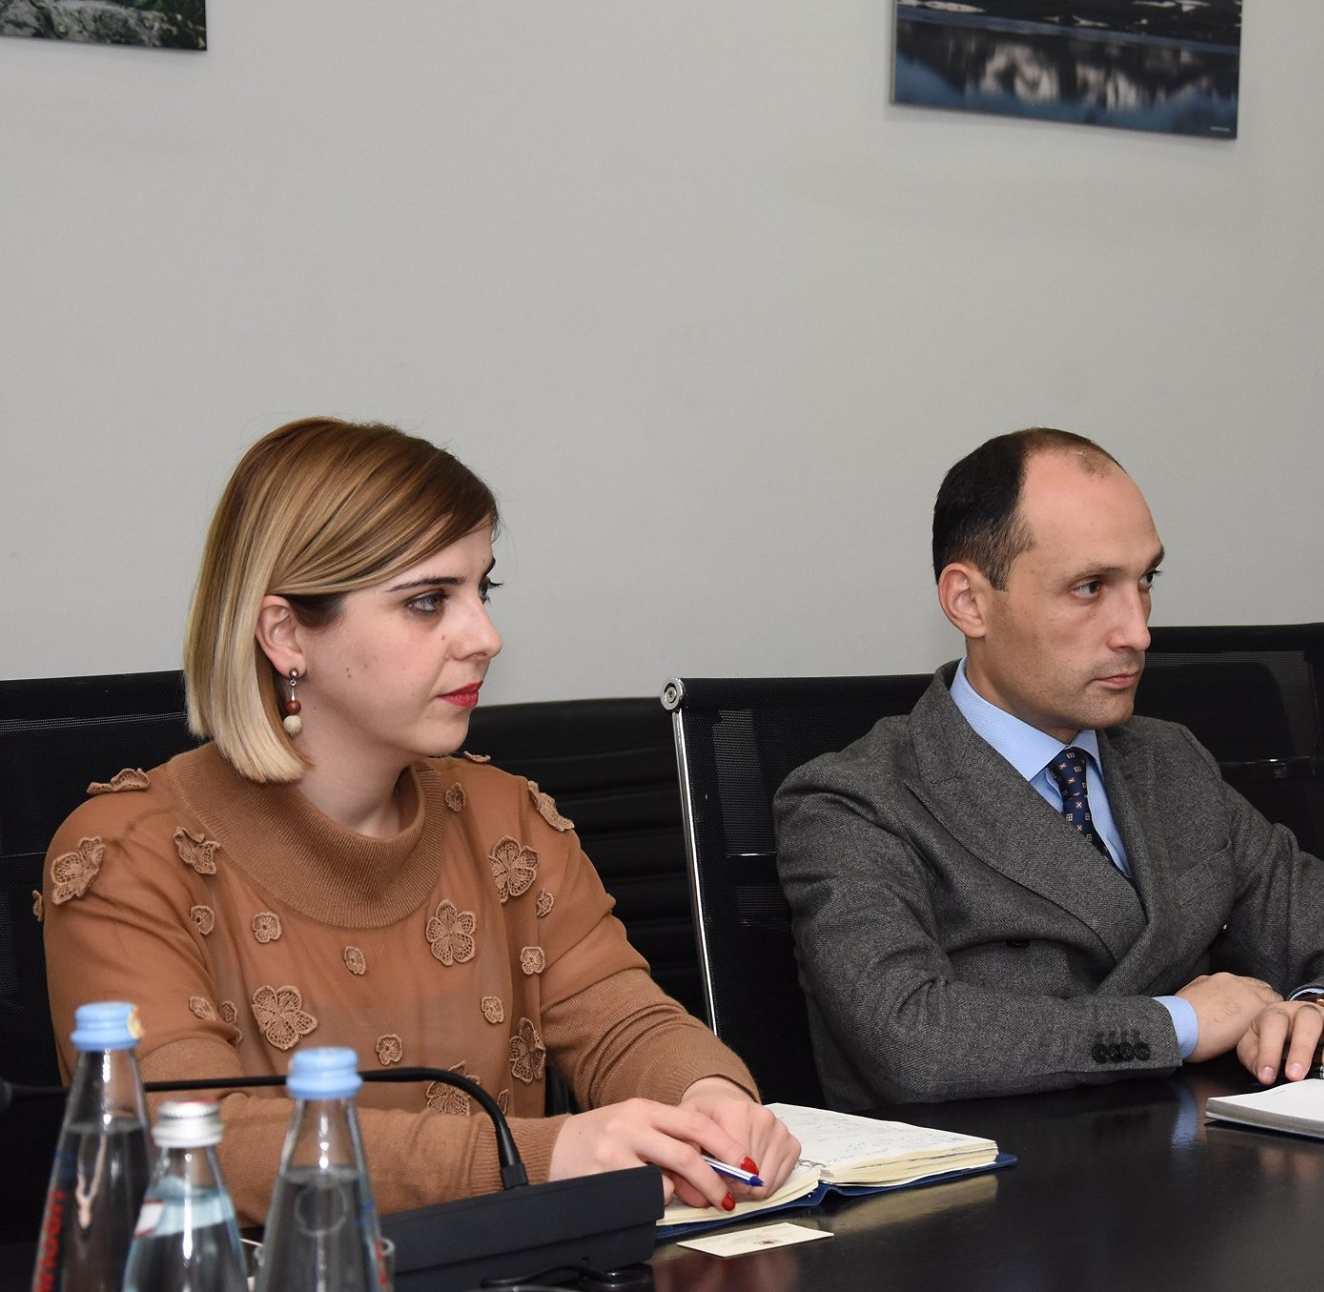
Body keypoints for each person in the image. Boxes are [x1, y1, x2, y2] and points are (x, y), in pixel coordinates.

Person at [41, 418, 799, 1220]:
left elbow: (624, 1020)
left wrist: (710, 1099)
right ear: (286, 633)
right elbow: (191, 1136)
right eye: (428, 601)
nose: (486, 637)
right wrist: (536, 1157)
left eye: (482, 590)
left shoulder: (509, 820)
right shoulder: (125, 854)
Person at [774, 428, 1324, 1110]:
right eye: (1090, 586)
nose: (1138, 632)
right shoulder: (854, 800)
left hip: (1208, 1154)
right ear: (969, 602)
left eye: (1145, 580)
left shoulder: (1170, 761)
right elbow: (912, 1040)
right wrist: (1180, 1023)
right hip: (1002, 1169)